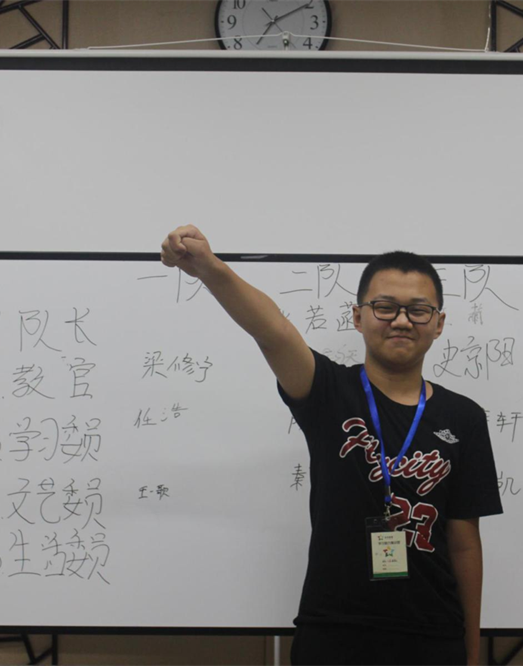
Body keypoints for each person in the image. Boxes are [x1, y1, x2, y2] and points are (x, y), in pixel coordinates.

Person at [161, 225, 503, 666]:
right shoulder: (326, 391)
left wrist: (472, 653)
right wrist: (210, 269)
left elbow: (464, 543)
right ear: (358, 317)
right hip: (333, 632)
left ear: (438, 324)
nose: (401, 321)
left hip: (433, 635)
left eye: (418, 310)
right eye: (385, 307)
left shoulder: (464, 417)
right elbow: (273, 331)